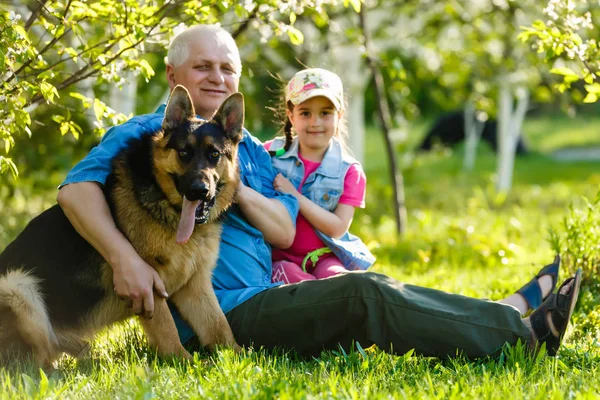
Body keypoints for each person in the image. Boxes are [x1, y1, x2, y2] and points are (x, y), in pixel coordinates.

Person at [57, 24, 582, 359]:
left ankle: (501, 312)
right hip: (219, 311)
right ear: (173, 73)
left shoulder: (252, 154)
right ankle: (521, 335)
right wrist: (125, 258)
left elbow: (285, 228)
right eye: (202, 67)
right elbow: (75, 189)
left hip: (273, 291)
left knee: (374, 287)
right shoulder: (147, 136)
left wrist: (225, 184)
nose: (216, 78)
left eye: (226, 68)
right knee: (364, 294)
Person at [263, 68, 374, 284]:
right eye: (305, 113)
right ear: (291, 116)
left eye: (325, 113)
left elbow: (337, 227)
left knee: (340, 281)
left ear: (339, 115)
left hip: (323, 256)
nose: (315, 122)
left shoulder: (348, 171)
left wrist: (295, 196)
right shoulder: (269, 154)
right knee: (295, 279)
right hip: (278, 257)